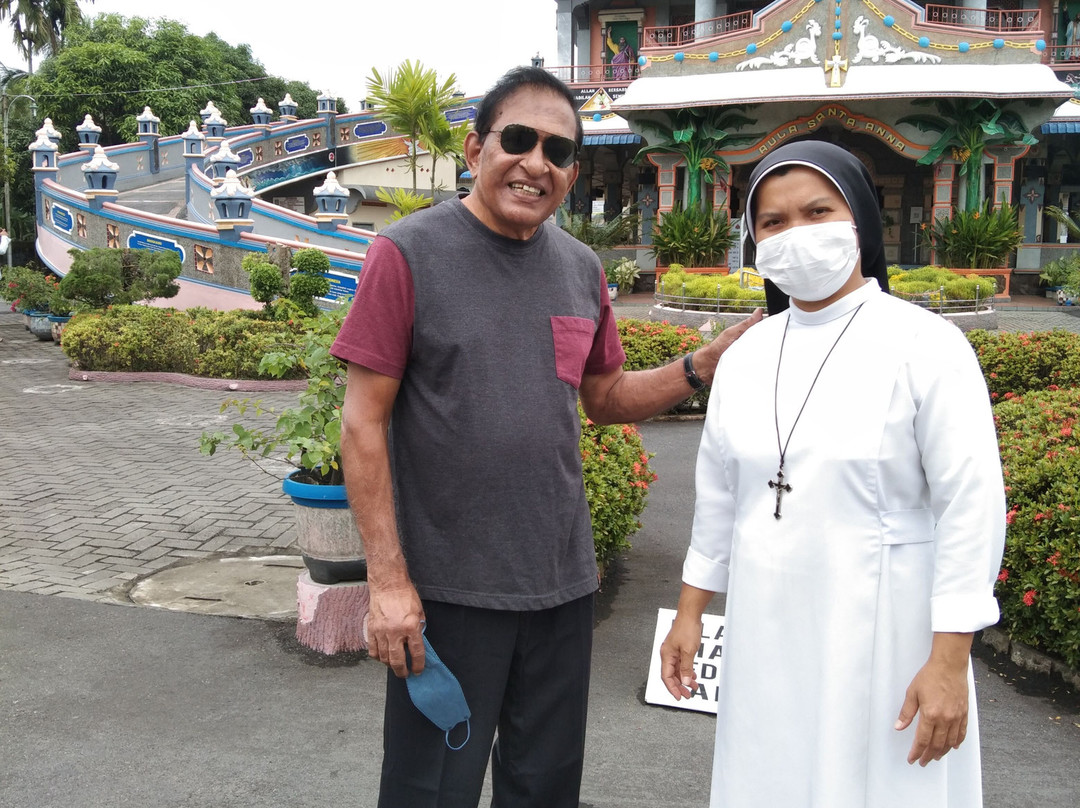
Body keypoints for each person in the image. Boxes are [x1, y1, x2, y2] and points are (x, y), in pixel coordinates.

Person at [331, 66, 760, 808]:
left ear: (571, 172)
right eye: (518, 140)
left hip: (560, 583)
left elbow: (605, 397)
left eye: (558, 152)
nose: (536, 163)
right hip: (448, 591)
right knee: (431, 790)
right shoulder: (407, 253)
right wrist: (388, 583)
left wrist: (702, 365)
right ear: (476, 150)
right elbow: (361, 422)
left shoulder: (579, 268)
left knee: (545, 788)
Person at [659, 140, 1005, 807]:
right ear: (754, 239)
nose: (797, 234)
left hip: (886, 630)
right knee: (768, 777)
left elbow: (972, 509)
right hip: (766, 622)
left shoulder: (927, 345)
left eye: (818, 212)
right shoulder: (747, 355)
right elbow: (720, 497)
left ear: (860, 221)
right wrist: (691, 613)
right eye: (773, 221)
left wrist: (950, 661)